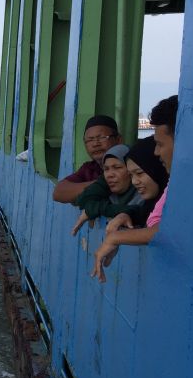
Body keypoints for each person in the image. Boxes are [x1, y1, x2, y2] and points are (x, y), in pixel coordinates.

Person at [91, 96, 177, 282]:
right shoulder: (170, 186)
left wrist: (117, 237)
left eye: (160, 144)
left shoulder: (181, 190)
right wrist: (127, 215)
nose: (156, 152)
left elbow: (170, 230)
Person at [71, 144, 142, 235]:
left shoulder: (144, 193)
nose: (109, 174)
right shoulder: (110, 192)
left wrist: (97, 208)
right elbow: (82, 200)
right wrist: (103, 182)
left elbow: (138, 211)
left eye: (117, 167)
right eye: (106, 169)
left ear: (131, 169)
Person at [53, 115, 122, 203]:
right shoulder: (90, 168)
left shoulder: (130, 163)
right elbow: (58, 193)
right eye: (90, 140)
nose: (95, 144)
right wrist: (102, 184)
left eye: (102, 137)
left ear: (118, 139)